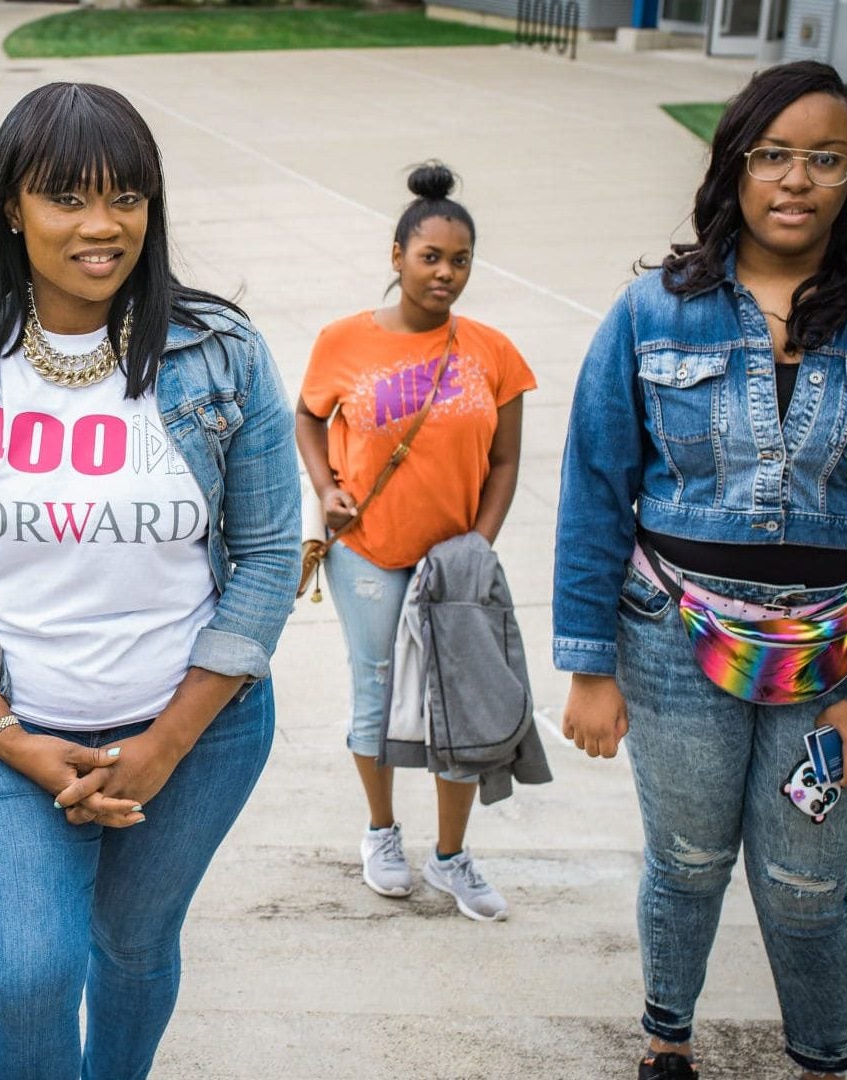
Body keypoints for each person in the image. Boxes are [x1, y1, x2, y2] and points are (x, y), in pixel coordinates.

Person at [553, 61, 847, 1080]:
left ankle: (824, 1058)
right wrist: (591, 666)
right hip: (670, 643)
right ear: (734, 169)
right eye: (773, 155)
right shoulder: (652, 313)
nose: (796, 180)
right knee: (688, 864)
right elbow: (595, 490)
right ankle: (667, 1040)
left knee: (803, 886)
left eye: (824, 158)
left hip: (834, 658)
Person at [0, 82, 299, 1079]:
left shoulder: (223, 358)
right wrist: (11, 738)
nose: (101, 226)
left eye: (127, 196)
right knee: (28, 974)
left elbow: (272, 555)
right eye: (67, 197)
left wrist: (164, 744)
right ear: (11, 209)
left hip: (196, 736)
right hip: (6, 734)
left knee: (132, 947)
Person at [295, 162, 536, 921]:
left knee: (455, 702)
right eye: (430, 257)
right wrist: (325, 485)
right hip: (366, 551)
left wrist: (479, 547)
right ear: (396, 257)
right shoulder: (344, 341)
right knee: (376, 696)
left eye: (460, 260)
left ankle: (453, 856)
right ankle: (381, 834)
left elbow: (504, 462)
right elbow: (307, 417)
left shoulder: (493, 353)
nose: (446, 273)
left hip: (453, 563)